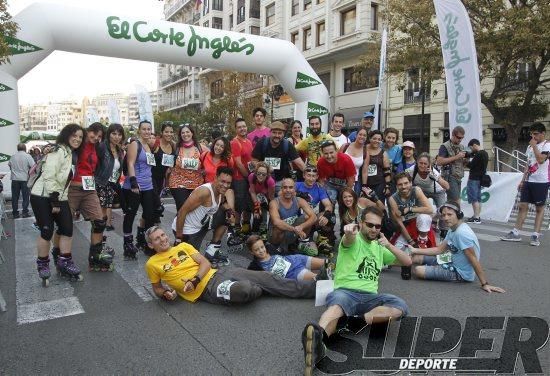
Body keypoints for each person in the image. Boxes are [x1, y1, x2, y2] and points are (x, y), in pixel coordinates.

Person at [301, 206, 412, 376]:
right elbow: (348, 239)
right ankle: (318, 341)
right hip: (346, 292)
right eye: (370, 224)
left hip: (370, 298)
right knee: (337, 306)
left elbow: (407, 261)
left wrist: (388, 244)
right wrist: (349, 232)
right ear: (361, 223)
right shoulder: (353, 240)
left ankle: (352, 322)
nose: (374, 229)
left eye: (378, 226)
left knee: (400, 306)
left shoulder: (380, 248)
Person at [144, 226, 316, 305]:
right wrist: (165, 293)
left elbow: (204, 262)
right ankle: (263, 287)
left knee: (266, 277)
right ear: (151, 245)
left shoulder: (183, 247)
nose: (163, 239)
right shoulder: (152, 264)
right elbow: (157, 288)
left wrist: (195, 279)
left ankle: (316, 288)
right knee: (245, 290)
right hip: (207, 290)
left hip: (219, 272)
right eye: (157, 239)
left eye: (163, 235)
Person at [55, 122, 114, 272]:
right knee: (64, 225)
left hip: (89, 188)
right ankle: (58, 254)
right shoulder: (76, 145)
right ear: (87, 131)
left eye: (99, 136)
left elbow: (102, 166)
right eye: (93, 133)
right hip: (72, 189)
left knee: (99, 222)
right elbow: (61, 147)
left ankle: (95, 256)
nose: (96, 137)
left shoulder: (97, 148)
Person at [30, 124, 85, 284]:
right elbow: (49, 175)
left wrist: (60, 199)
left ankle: (65, 261)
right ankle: (43, 264)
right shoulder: (58, 150)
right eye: (74, 135)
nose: (77, 139)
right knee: (46, 231)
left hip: (59, 197)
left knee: (67, 229)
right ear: (66, 135)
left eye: (80, 137)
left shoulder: (70, 154)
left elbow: (65, 182)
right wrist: (54, 200)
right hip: (42, 196)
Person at [410, 201, 506, 293]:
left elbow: (473, 259)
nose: (446, 218)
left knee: (418, 270)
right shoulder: (453, 228)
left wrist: (485, 284)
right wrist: (415, 250)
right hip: (450, 259)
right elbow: (439, 249)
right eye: (443, 215)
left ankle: (436, 268)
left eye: (449, 214)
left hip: (460, 272)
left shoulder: (462, 233)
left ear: (458, 214)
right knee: (416, 257)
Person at [174, 166, 235, 267]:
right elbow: (181, 212)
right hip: (187, 232)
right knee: (189, 267)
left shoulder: (220, 192)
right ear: (215, 178)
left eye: (228, 183)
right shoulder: (204, 192)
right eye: (222, 181)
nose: (225, 185)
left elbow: (223, 204)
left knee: (225, 216)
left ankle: (212, 251)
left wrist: (230, 212)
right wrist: (178, 239)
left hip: (201, 225)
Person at [501, 122, 549, 246]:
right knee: (522, 206)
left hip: (541, 181)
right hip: (528, 180)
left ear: (543, 133)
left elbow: (540, 160)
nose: (533, 137)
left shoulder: (547, 145)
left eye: (536, 134)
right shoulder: (529, 147)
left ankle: (535, 235)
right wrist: (522, 180)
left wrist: (534, 146)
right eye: (532, 134)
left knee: (539, 208)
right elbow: (527, 164)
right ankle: (516, 232)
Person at [121, 120, 157, 259]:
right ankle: (128, 244)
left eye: (149, 129)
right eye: (144, 129)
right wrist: (134, 182)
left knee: (149, 215)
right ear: (139, 131)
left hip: (148, 186)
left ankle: (147, 243)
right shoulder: (135, 144)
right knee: (130, 215)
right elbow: (130, 162)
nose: (147, 132)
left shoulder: (149, 146)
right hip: (134, 186)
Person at [251, 121, 305, 194]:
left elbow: (299, 162)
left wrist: (309, 174)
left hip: (280, 181)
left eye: (280, 133)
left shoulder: (287, 145)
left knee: (281, 201)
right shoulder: (262, 143)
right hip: (263, 180)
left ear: (283, 134)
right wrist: (264, 167)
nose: (277, 135)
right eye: (274, 132)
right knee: (263, 203)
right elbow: (253, 161)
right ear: (270, 132)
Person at [246, 235, 330, 281]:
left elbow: (284, 253)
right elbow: (245, 276)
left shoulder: (270, 247)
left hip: (296, 259)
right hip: (293, 273)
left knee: (328, 263)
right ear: (251, 252)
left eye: (262, 247)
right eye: (257, 250)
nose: (261, 250)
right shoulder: (254, 266)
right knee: (320, 279)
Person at [269, 178, 318, 255]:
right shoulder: (274, 203)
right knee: (279, 227)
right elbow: (276, 222)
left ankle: (300, 242)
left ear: (294, 189)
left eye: (291, 187)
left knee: (308, 217)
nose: (288, 190)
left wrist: (301, 226)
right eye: (285, 187)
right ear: (281, 189)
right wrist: (295, 229)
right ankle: (276, 248)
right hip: (277, 236)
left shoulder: (299, 200)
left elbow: (314, 217)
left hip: (293, 231)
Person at [295, 166, 336, 255]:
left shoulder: (319, 188)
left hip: (310, 220)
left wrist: (326, 215)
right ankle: (302, 240)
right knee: (308, 216)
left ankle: (323, 239)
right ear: (304, 175)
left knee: (330, 217)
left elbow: (328, 205)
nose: (311, 178)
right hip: (296, 218)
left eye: (313, 176)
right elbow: (281, 194)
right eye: (309, 175)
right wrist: (297, 194)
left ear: (317, 177)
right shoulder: (296, 185)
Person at [407, 153, 450, 234]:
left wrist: (435, 177)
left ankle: (443, 229)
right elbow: (403, 177)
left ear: (429, 164)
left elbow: (447, 186)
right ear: (417, 162)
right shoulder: (412, 169)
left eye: (425, 164)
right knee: (419, 209)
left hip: (437, 191)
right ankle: (419, 227)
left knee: (443, 210)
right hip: (423, 191)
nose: (422, 166)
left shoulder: (433, 172)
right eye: (420, 163)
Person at [168, 124, 205, 211]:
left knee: (193, 211)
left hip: (196, 184)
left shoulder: (201, 148)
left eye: (187, 132)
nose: (185, 134)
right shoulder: (176, 147)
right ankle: (179, 224)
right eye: (183, 133)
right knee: (182, 208)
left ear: (192, 133)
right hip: (178, 183)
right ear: (180, 135)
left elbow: (212, 158)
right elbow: (168, 161)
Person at [95, 123, 124, 232]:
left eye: (119, 134)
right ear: (108, 134)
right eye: (114, 134)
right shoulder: (102, 146)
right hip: (100, 183)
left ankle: (102, 238)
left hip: (111, 185)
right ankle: (99, 241)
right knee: (100, 214)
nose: (117, 137)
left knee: (106, 210)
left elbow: (118, 169)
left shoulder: (119, 150)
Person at [230, 118, 254, 238]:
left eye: (244, 126)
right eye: (239, 127)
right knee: (239, 203)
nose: (242, 128)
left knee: (249, 202)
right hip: (240, 178)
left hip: (249, 176)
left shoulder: (248, 141)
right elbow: (238, 163)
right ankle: (237, 226)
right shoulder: (235, 142)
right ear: (236, 129)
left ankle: (246, 224)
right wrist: (248, 176)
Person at [151, 121, 176, 223]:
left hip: (162, 178)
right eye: (166, 132)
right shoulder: (155, 143)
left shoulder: (173, 145)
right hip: (150, 176)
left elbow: (171, 163)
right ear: (162, 132)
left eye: (171, 132)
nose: (169, 134)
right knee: (155, 200)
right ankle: (152, 219)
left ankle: (153, 219)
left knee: (155, 200)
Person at [436, 126, 468, 202]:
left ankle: (450, 213)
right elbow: (439, 162)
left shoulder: (462, 147)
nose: (460, 139)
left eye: (462, 138)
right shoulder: (445, 146)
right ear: (453, 135)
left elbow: (462, 164)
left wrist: (466, 159)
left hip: (459, 176)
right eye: (458, 137)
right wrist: (457, 156)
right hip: (449, 176)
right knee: (456, 200)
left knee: (451, 200)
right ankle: (457, 213)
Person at [361, 130, 392, 201]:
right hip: (363, 183)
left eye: (379, 139)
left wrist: (387, 186)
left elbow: (387, 171)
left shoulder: (383, 153)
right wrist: (364, 186)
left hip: (379, 183)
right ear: (370, 139)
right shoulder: (363, 149)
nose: (376, 141)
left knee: (378, 206)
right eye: (374, 138)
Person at [8, 143, 35, 218]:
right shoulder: (27, 156)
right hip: (24, 179)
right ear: (25, 148)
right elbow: (33, 166)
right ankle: (24, 212)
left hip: (14, 179)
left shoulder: (13, 156)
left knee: (15, 197)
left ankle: (15, 213)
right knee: (25, 196)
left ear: (17, 148)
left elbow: (9, 165)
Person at [248, 162, 275, 238]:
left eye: (263, 174)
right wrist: (257, 207)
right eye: (259, 173)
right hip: (254, 195)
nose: (261, 176)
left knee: (264, 214)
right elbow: (252, 192)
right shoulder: (251, 177)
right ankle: (254, 233)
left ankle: (263, 233)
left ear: (267, 175)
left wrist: (269, 208)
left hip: (266, 198)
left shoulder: (270, 181)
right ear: (255, 173)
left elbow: (271, 197)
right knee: (256, 214)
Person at [465, 139, 488, 224]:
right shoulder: (485, 153)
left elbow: (471, 165)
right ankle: (476, 216)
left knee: (474, 198)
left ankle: (476, 217)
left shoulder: (479, 154)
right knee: (478, 198)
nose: (471, 150)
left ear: (474, 145)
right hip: (480, 179)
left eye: (471, 147)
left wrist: (465, 161)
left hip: (474, 178)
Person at [339, 128, 368, 195]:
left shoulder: (365, 152)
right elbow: (337, 162)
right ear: (356, 135)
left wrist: (364, 186)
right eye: (360, 134)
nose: (362, 137)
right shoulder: (345, 146)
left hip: (356, 181)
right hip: (341, 180)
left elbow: (365, 171)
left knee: (354, 202)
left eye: (364, 135)